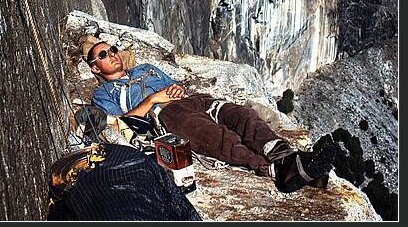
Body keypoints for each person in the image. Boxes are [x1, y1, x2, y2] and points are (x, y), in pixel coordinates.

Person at [87, 41, 337, 193]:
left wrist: (177, 89)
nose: (112, 55)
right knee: (214, 135)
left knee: (243, 116)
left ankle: (286, 157)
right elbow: (120, 124)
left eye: (113, 50)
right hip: (164, 114)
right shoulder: (103, 94)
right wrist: (152, 100)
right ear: (95, 68)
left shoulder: (145, 69)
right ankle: (278, 170)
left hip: (192, 99)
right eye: (103, 55)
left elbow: (176, 85)